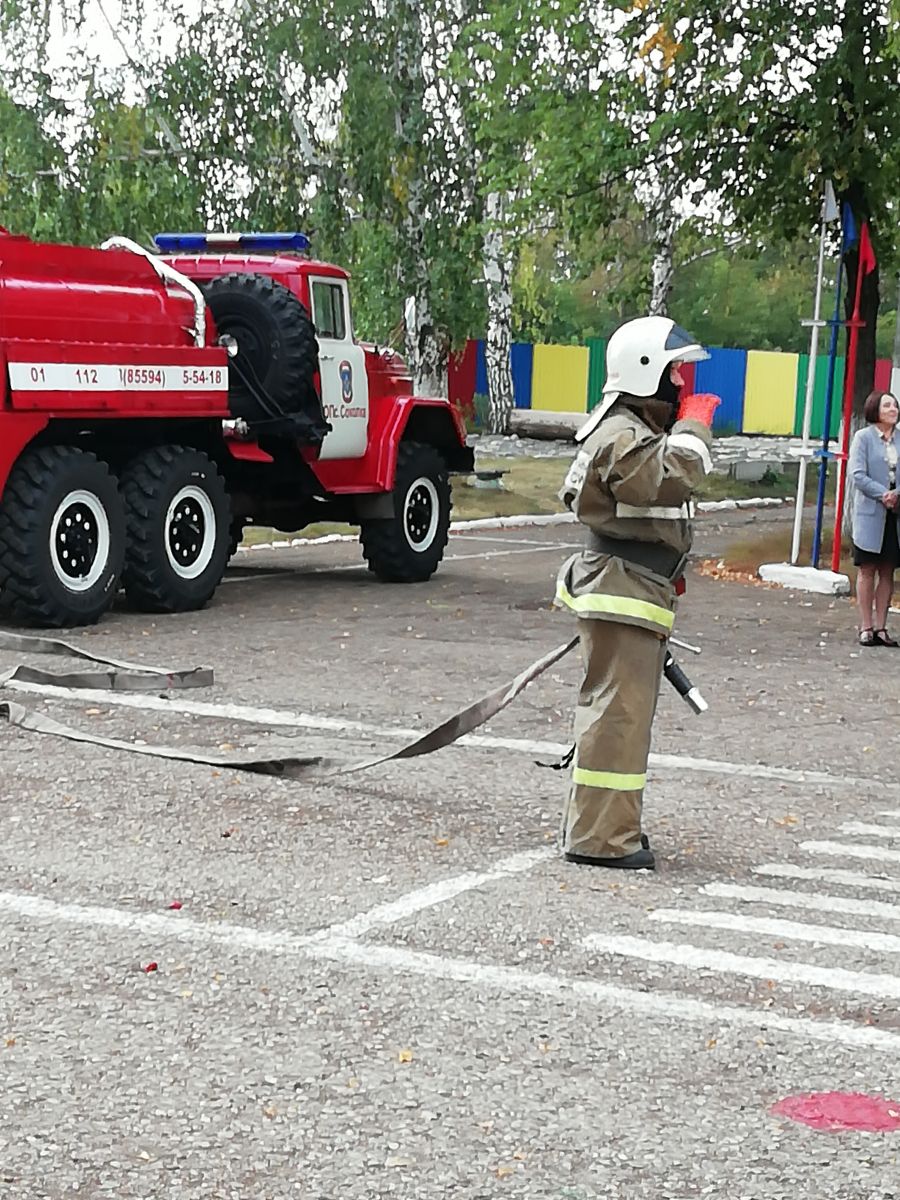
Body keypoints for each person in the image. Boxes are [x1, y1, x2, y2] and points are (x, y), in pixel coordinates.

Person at [555, 316, 720, 870]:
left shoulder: (629, 429)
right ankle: (601, 840)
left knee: (620, 716)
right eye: (674, 374)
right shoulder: (622, 435)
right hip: (622, 591)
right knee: (617, 718)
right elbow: (668, 477)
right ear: (646, 372)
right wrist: (694, 427)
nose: (682, 383)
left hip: (632, 590)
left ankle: (608, 827)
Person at [849, 389, 900, 647]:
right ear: (875, 410)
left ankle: (881, 627)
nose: (893, 410)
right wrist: (883, 494)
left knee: (887, 570)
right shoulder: (863, 438)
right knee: (867, 569)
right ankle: (866, 627)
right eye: (887, 405)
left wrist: (896, 495)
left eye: (895, 405)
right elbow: (857, 474)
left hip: (895, 514)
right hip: (871, 513)